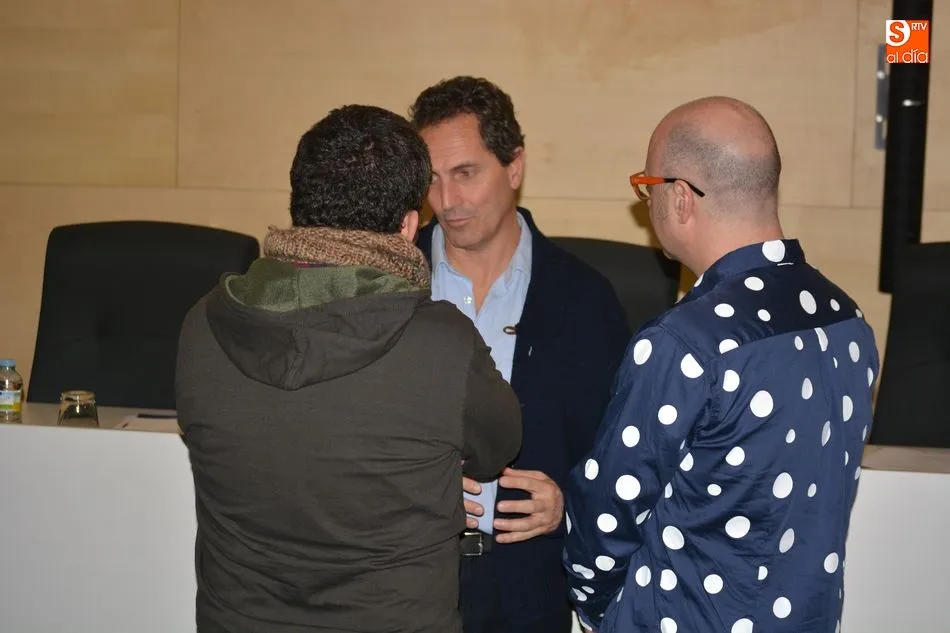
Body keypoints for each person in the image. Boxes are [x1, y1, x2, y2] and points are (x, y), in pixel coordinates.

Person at [175, 104, 523, 633]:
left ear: (299, 204)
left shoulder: (202, 325)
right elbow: (498, 447)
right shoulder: (442, 344)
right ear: (409, 226)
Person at [563, 96, 880, 633]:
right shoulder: (846, 318)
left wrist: (604, 611)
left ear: (680, 198)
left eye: (646, 187)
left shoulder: (684, 343)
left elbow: (607, 513)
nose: (647, 203)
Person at [409, 76, 632, 633]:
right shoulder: (389, 284)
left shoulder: (585, 298)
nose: (447, 201)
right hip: (402, 582)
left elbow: (621, 460)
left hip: (530, 591)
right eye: (431, 179)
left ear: (514, 167)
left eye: (465, 173)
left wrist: (568, 504)